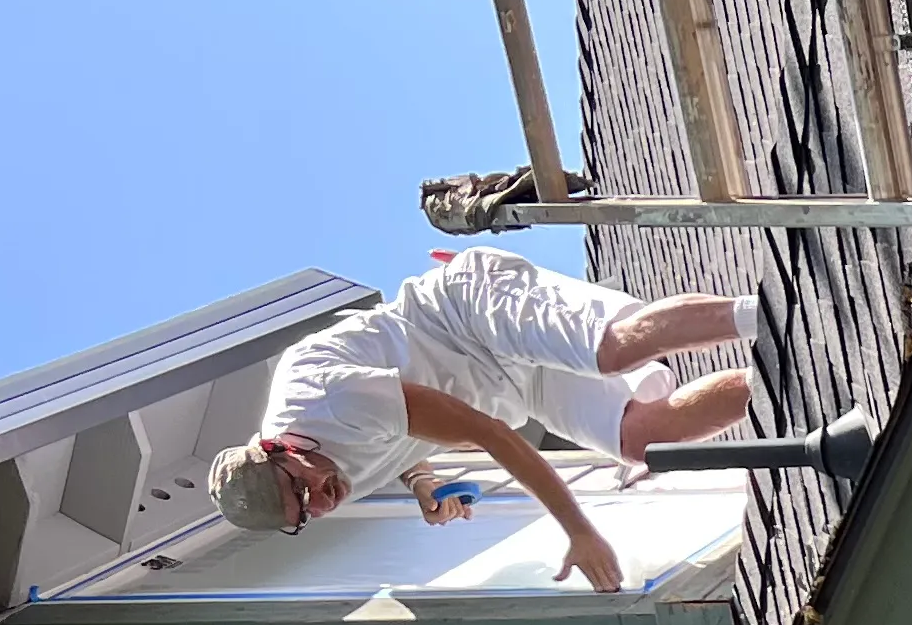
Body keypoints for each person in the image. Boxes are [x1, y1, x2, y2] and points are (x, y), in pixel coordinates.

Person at [203, 249, 762, 591]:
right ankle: (776, 371)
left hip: (471, 316)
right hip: (510, 388)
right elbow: (394, 440)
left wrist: (579, 530)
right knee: (641, 440)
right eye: (306, 516)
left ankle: (768, 310)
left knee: (612, 349)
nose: (323, 502)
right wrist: (421, 481)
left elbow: (487, 435)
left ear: (277, 448)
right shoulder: (324, 475)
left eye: (303, 490)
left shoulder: (328, 400)